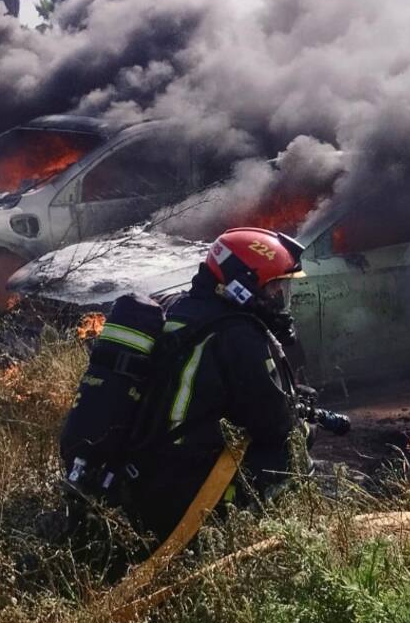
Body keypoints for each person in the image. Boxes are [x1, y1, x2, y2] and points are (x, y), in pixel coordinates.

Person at [122, 227, 308, 540]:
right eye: (274, 287)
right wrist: (301, 416)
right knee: (291, 445)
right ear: (243, 285)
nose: (278, 298)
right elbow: (273, 422)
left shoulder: (183, 308)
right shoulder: (239, 335)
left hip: (142, 469)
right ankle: (250, 537)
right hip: (182, 487)